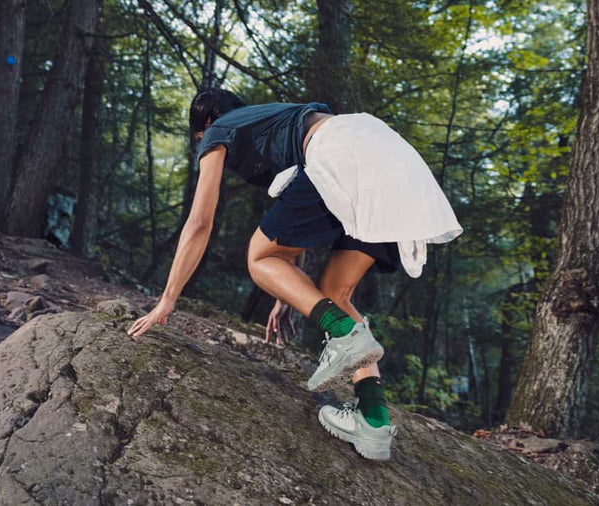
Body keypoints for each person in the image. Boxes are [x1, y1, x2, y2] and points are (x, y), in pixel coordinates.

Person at [125, 89, 461, 461]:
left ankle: (344, 335)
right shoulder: (279, 120)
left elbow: (200, 222)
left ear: (204, 128)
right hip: (390, 155)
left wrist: (167, 300)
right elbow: (302, 216)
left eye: (199, 142)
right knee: (336, 294)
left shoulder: (219, 130)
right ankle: (374, 423)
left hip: (345, 153)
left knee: (257, 257)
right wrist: (288, 291)